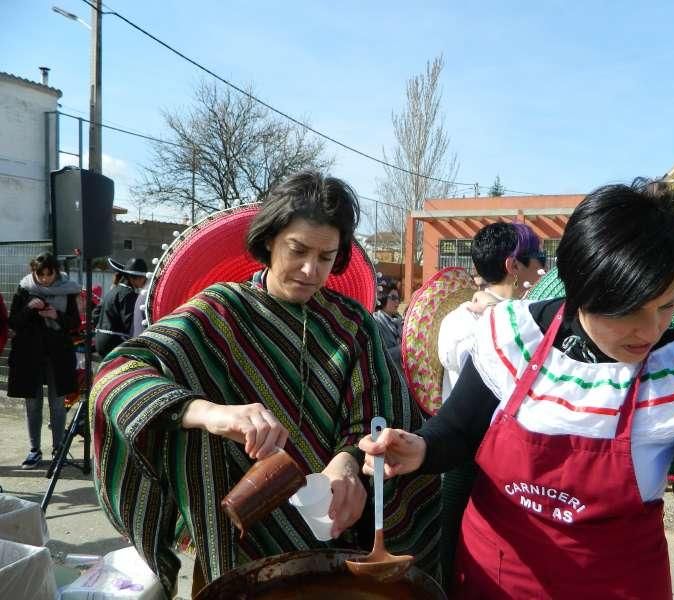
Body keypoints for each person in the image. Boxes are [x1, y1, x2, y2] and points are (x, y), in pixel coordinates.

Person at [360, 179, 674, 599]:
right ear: (579, 290)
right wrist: (421, 449)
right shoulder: (513, 336)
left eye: (666, 305)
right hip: (493, 581)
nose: (649, 330)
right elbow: (457, 433)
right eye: (626, 311)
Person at [89, 171, 440, 596]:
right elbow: (117, 373)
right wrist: (209, 413)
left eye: (326, 256)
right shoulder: (219, 313)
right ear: (269, 240)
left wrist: (348, 461)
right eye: (298, 250)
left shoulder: (351, 326)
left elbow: (378, 417)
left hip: (336, 551)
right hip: (236, 549)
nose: (311, 270)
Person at [438, 222, 544, 402]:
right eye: (540, 256)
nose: (544, 266)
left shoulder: (532, 311)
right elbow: (494, 378)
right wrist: (497, 311)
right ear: (514, 266)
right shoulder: (463, 321)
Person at [7, 252, 80, 469]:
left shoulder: (68, 290)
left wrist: (55, 315)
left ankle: (58, 449)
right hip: (29, 355)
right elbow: (14, 322)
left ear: (57, 272)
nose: (45, 279)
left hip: (58, 355)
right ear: (34, 272)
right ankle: (34, 450)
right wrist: (30, 308)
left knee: (58, 404)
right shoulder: (24, 289)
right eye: (41, 275)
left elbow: (74, 322)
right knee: (33, 404)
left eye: (49, 274)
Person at [93, 257, 148, 358]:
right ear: (133, 278)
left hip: (100, 340)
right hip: (114, 343)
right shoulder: (128, 294)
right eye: (143, 277)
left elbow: (95, 313)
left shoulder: (114, 290)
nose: (145, 281)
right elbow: (131, 324)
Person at [372, 277, 403, 372]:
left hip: (401, 377)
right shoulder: (376, 322)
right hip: (385, 377)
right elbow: (378, 355)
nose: (397, 302)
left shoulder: (400, 322)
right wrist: (401, 349)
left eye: (398, 298)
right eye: (393, 298)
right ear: (383, 298)